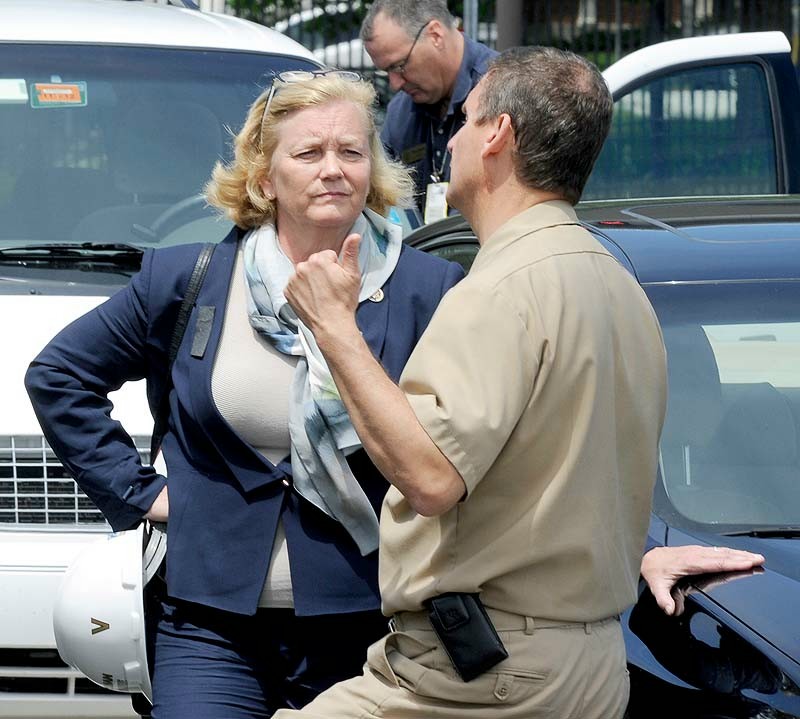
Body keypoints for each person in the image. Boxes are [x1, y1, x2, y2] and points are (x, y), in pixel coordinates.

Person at [272, 47, 740, 719]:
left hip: (481, 675)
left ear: (499, 135)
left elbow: (431, 476)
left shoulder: (502, 288)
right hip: (592, 662)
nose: (452, 138)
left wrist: (334, 327)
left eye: (464, 120)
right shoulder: (615, 282)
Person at [24, 71, 464, 719]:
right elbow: (58, 376)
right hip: (210, 623)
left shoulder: (432, 291)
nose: (333, 169)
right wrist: (139, 493)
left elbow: (484, 440)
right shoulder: (188, 280)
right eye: (308, 153)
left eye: (351, 151)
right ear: (264, 179)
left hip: (375, 624)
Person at [361, 0, 497, 221]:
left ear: (435, 35)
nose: (395, 84)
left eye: (399, 65)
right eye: (387, 72)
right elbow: (380, 198)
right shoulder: (400, 112)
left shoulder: (503, 89)